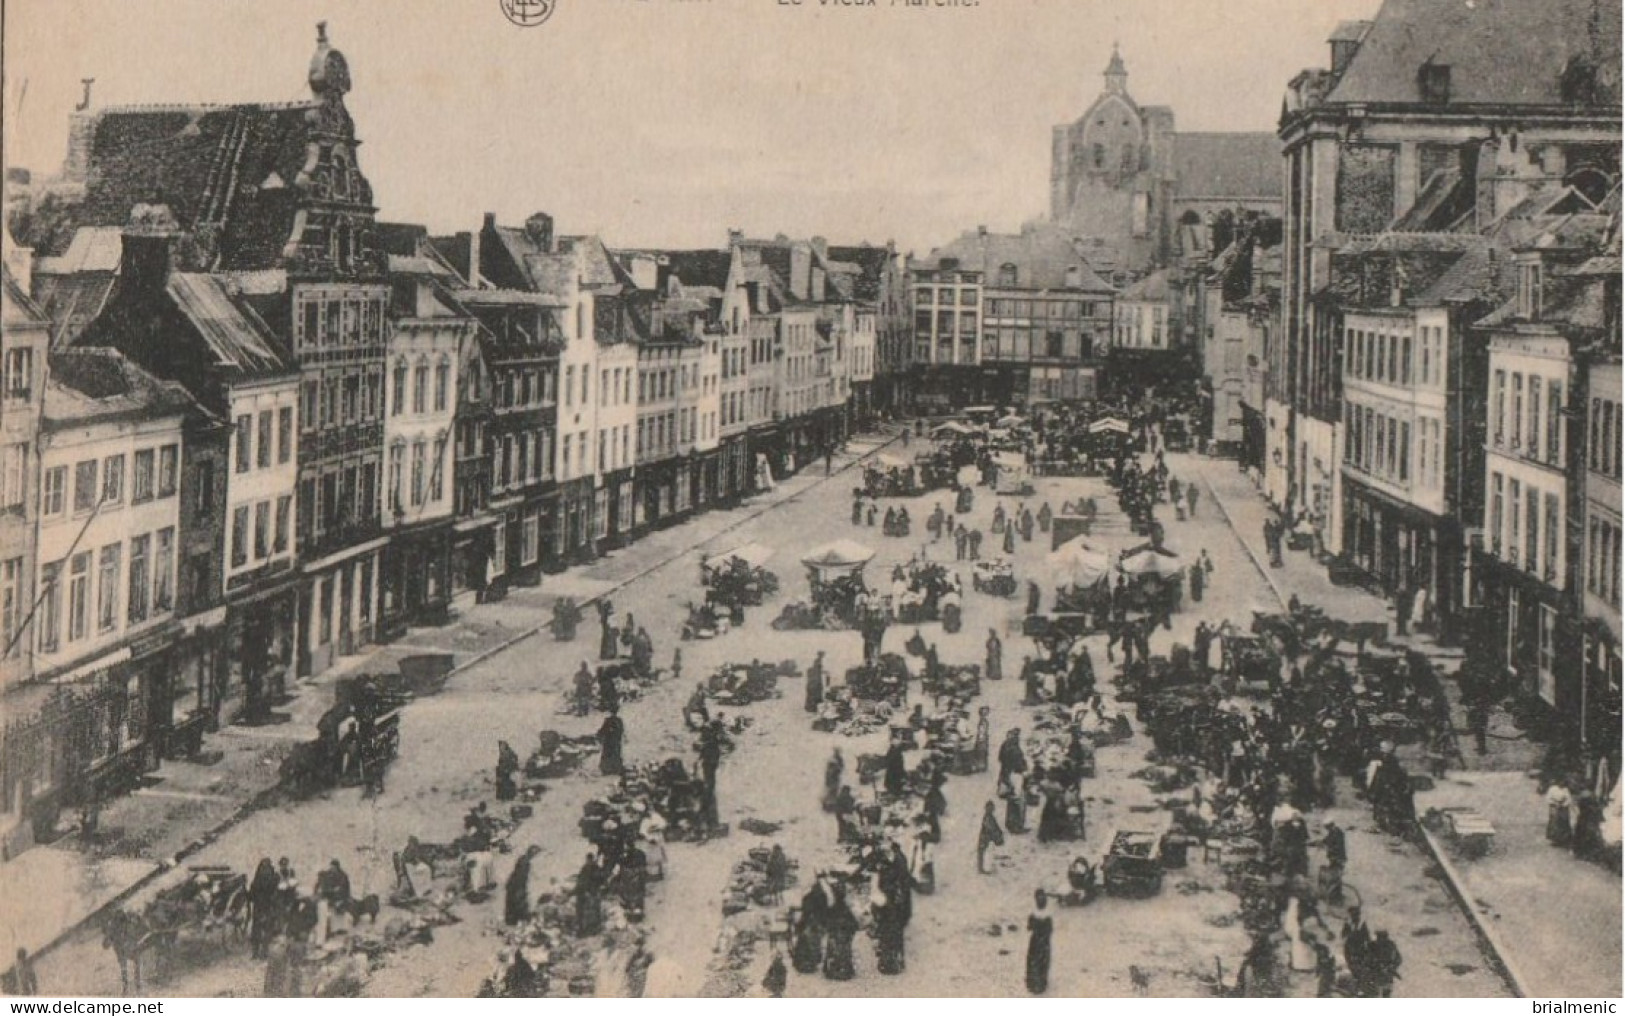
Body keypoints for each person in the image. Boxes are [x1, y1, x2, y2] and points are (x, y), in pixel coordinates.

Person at [822, 885, 858, 981]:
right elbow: (854, 924)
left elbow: (826, 923)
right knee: (845, 950)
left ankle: (831, 969)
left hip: (835, 937)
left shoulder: (832, 909)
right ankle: (846, 970)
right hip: (844, 938)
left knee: (833, 949)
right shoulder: (846, 910)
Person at [314, 859, 352, 942]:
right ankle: (331, 931)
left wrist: (344, 898)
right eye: (331, 867)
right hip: (330, 897)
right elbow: (323, 887)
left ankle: (339, 929)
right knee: (329, 913)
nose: (332, 869)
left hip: (341, 898)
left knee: (339, 912)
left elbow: (345, 889)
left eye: (334, 868)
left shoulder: (343, 876)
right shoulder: (327, 875)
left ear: (337, 867)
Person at [504, 845, 540, 926]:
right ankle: (516, 919)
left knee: (513, 902)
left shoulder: (523, 859)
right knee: (517, 902)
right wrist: (521, 889)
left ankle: (512, 920)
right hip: (516, 886)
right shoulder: (525, 863)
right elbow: (521, 877)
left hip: (513, 884)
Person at [1025, 890, 1053, 994]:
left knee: (1036, 962)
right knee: (1040, 962)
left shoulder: (1036, 914)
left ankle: (1036, 984)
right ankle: (1038, 984)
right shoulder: (1045, 915)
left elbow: (1029, 927)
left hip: (1037, 941)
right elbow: (1049, 929)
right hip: (1042, 941)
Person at [575, 853, 605, 937]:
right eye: (588, 860)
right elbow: (580, 880)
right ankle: (583, 929)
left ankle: (593, 929)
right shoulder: (584, 868)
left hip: (593, 893)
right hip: (584, 893)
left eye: (590, 860)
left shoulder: (595, 868)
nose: (589, 861)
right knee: (583, 912)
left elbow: (601, 879)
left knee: (593, 911)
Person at [1367, 930, 1402, 997]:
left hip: (1378, 975)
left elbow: (1398, 959)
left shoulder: (1373, 945)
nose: (1380, 939)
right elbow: (1398, 959)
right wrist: (1391, 967)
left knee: (1377, 994)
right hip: (1380, 975)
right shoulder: (1373, 945)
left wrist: (1391, 967)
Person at [977, 801, 1006, 874]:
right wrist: (997, 835)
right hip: (985, 837)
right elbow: (991, 828)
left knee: (984, 851)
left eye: (992, 808)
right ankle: (981, 868)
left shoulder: (990, 817)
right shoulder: (988, 817)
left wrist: (999, 832)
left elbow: (994, 827)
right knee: (982, 852)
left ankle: (983, 867)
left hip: (987, 837)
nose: (991, 809)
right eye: (989, 808)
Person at [598, 709, 626, 777]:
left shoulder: (609, 720)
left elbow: (603, 730)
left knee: (610, 754)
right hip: (613, 741)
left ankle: (609, 769)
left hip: (610, 741)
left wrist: (600, 735)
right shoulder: (619, 720)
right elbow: (621, 731)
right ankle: (614, 769)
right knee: (614, 754)